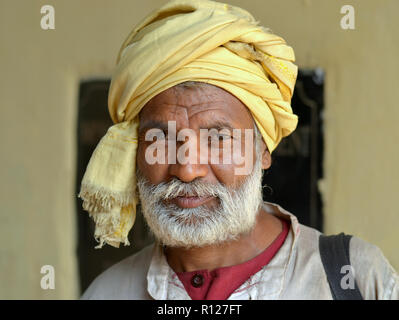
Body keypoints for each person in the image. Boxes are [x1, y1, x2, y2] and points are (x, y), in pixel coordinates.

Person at [79, 0, 399, 300]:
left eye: (218, 138)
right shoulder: (107, 292)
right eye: (161, 140)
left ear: (262, 149)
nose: (188, 169)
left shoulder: (354, 279)